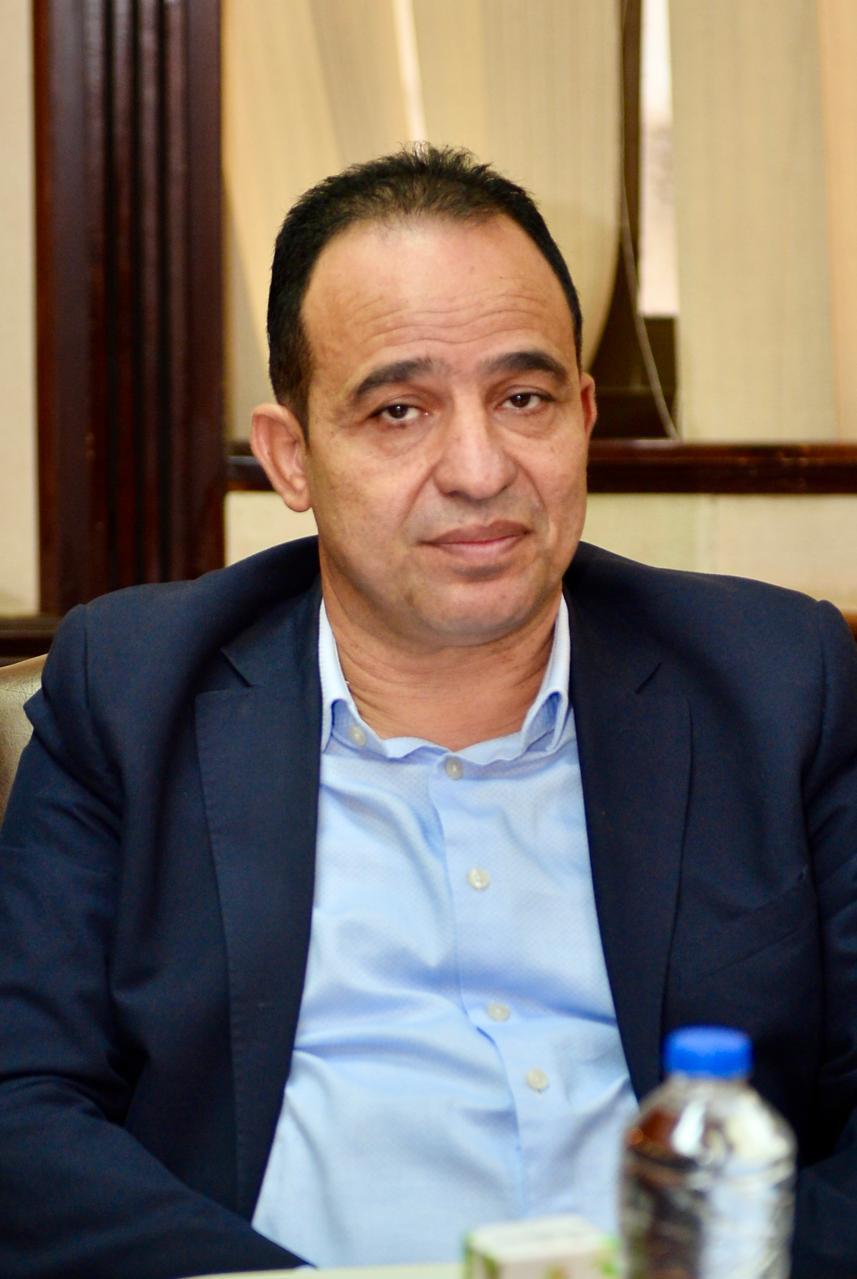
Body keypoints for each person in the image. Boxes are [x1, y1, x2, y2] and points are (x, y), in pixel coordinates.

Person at [1, 144, 856, 1279]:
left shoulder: (773, 680)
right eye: (398, 410)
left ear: (582, 414)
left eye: (522, 398)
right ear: (291, 456)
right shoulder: (133, 689)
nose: (478, 468)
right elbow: (22, 1106)